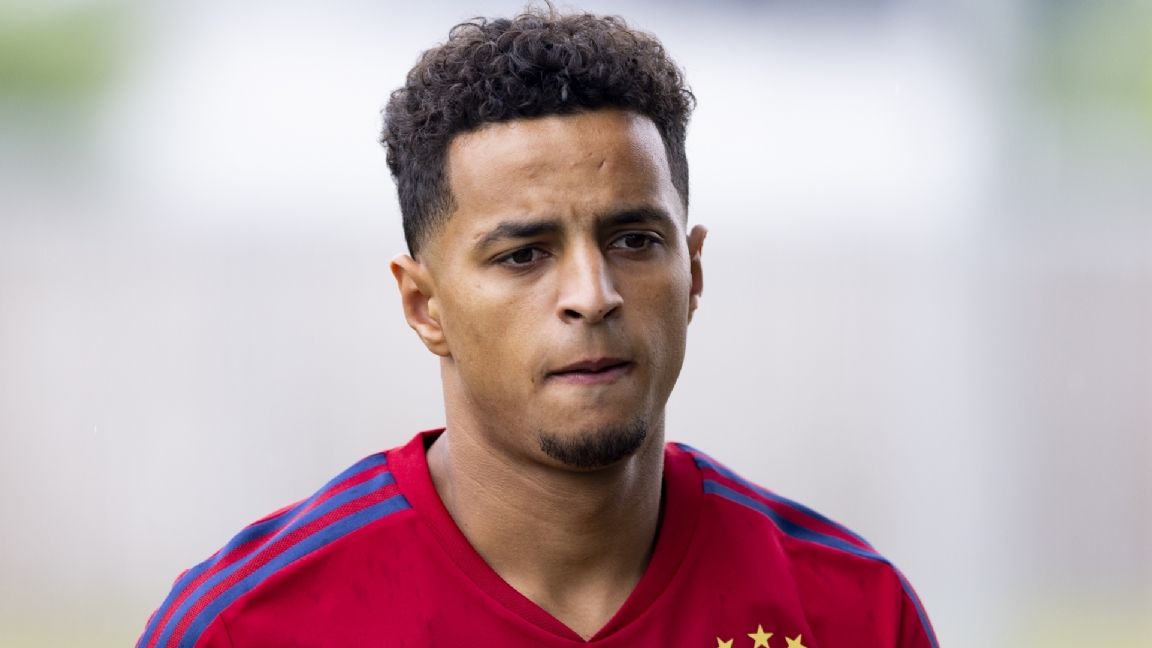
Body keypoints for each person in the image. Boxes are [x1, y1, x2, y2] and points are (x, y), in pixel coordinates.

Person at [138, 6, 938, 647]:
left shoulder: (854, 613)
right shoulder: (247, 627)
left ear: (692, 273)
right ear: (423, 306)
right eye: (523, 255)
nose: (593, 295)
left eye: (634, 241)